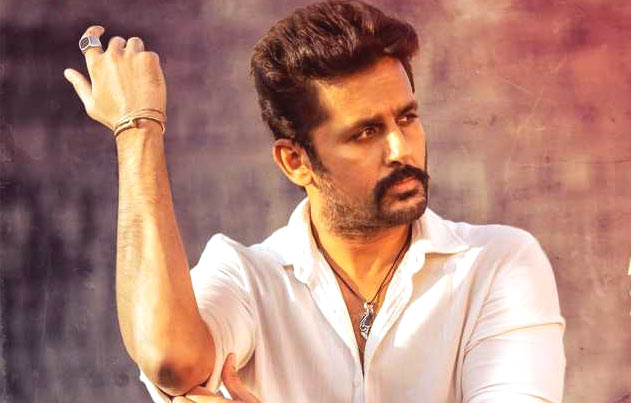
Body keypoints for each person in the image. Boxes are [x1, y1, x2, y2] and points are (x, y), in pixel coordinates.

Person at [64, 1, 566, 402]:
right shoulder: (245, 277)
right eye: (366, 132)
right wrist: (138, 130)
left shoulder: (498, 264)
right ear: (295, 161)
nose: (401, 149)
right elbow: (171, 361)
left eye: (407, 118)